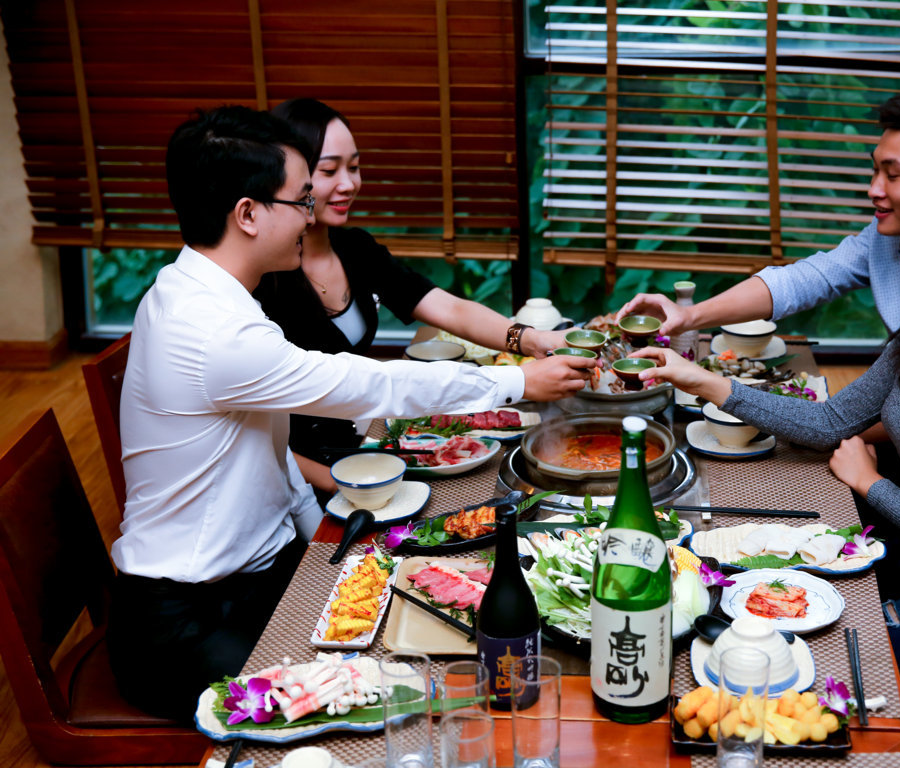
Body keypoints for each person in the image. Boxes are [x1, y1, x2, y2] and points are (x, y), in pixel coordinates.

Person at [106, 106, 591, 719]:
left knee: (420, 623)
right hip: (184, 621)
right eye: (300, 199)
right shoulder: (212, 332)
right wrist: (517, 381)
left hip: (259, 576)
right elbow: (365, 384)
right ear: (249, 214)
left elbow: (266, 452)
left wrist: (328, 541)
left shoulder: (207, 295)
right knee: (375, 703)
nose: (310, 214)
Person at [633, 169, 900, 691]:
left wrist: (868, 482)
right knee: (741, 603)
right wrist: (702, 380)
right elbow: (831, 421)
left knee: (789, 666)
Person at [254, 98, 572, 496]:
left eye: (354, 167)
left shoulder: (353, 248)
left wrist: (531, 340)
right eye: (329, 170)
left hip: (357, 455)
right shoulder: (264, 278)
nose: (349, 184)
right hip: (300, 480)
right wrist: (341, 485)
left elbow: (447, 307)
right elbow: (259, 437)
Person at [618, 90, 900, 337]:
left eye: (892, 175)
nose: (873, 189)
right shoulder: (884, 238)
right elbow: (806, 280)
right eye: (874, 171)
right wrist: (690, 316)